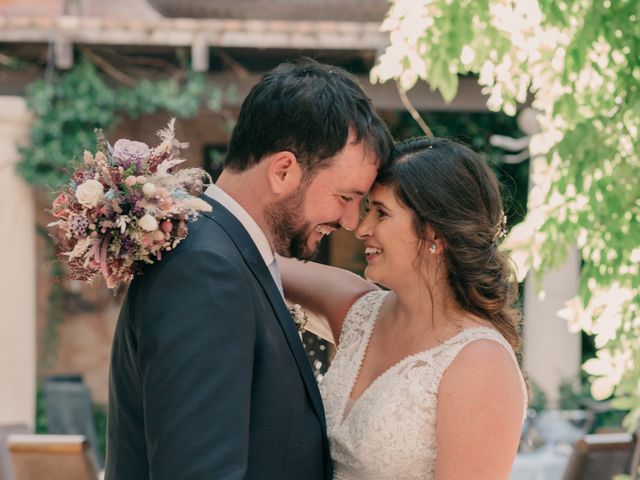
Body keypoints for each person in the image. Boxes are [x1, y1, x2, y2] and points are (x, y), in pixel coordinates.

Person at [105, 58, 393, 480]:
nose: (350, 222)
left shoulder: (225, 253)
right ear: (283, 171)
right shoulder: (207, 272)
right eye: (346, 197)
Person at [280, 137, 528, 479]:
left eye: (381, 213)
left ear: (434, 234)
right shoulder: (359, 312)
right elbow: (253, 258)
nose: (361, 228)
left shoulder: (480, 363)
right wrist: (180, 210)